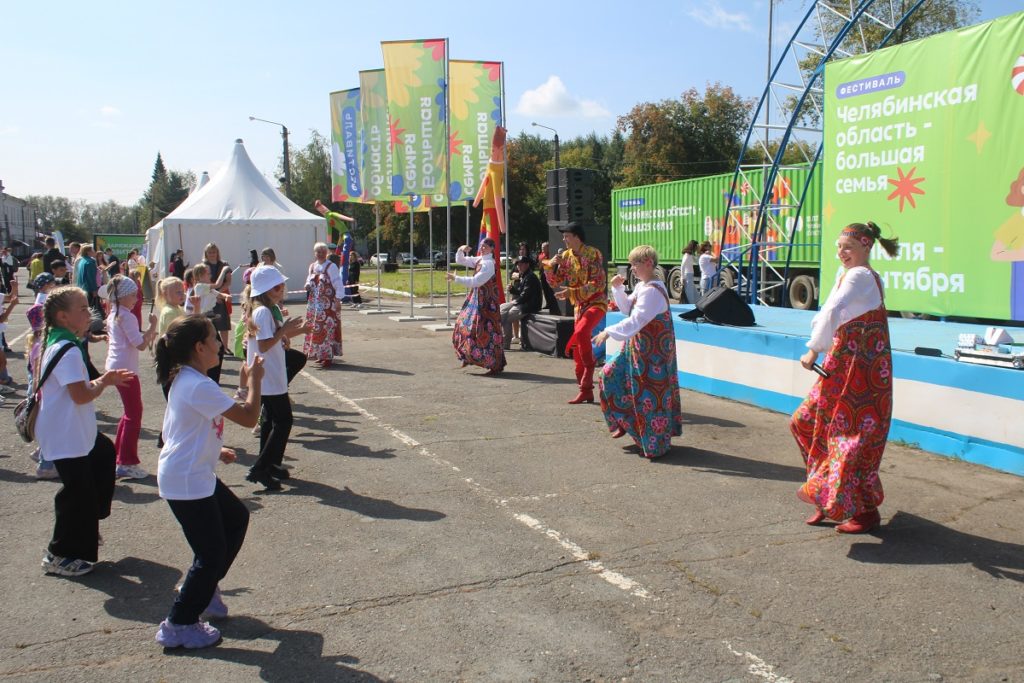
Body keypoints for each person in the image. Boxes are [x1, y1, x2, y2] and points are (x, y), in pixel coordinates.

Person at [153, 316, 263, 649]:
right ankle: (179, 624)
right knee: (210, 552)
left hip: (194, 472)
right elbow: (248, 417)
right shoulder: (196, 384)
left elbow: (179, 430)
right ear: (199, 348)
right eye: (214, 338)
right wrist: (256, 380)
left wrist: (216, 450)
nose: (220, 343)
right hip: (186, 480)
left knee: (236, 519)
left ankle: (206, 589)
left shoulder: (189, 379)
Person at [791, 221, 899, 534]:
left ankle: (864, 513)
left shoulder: (862, 276)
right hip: (843, 363)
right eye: (838, 247)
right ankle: (827, 496)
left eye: (848, 247)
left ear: (866, 247)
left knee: (849, 439)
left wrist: (813, 350)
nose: (841, 253)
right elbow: (829, 311)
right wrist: (820, 345)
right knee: (808, 422)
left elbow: (834, 308)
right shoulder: (848, 274)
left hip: (862, 370)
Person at [36, 286, 133, 577]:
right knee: (77, 494)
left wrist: (104, 379)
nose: (88, 311)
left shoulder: (65, 342)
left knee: (103, 457)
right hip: (65, 435)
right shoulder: (66, 350)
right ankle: (60, 553)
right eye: (81, 308)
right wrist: (106, 380)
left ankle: (87, 527)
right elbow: (81, 395)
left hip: (75, 431)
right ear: (63, 316)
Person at [592, 246, 683, 459]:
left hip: (653, 356)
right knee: (608, 375)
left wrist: (608, 331)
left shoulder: (652, 290)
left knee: (651, 397)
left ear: (649, 263)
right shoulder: (644, 286)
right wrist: (617, 290)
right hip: (639, 349)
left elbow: (637, 320)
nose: (632, 268)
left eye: (636, 264)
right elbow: (627, 309)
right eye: (632, 264)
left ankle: (654, 444)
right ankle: (628, 424)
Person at [245, 266, 307, 489]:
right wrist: (284, 332)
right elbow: (263, 345)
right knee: (284, 421)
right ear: (267, 289)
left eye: (281, 285)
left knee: (271, 421)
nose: (282, 289)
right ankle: (261, 467)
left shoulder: (268, 309)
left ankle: (270, 464)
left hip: (271, 374)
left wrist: (292, 332)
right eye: (277, 286)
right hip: (268, 375)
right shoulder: (262, 311)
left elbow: (271, 338)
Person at [543, 222, 607, 404]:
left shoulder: (593, 254)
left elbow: (599, 284)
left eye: (567, 236)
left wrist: (571, 292)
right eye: (563, 236)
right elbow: (555, 282)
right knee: (578, 350)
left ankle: (589, 370)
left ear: (577, 237)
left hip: (596, 303)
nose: (564, 239)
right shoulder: (565, 256)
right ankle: (585, 389)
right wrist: (549, 266)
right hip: (579, 306)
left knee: (581, 332)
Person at [102, 275, 158, 479]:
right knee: (134, 414)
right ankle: (126, 461)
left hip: (117, 366)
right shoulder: (126, 316)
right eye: (133, 295)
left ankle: (119, 456)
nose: (136, 298)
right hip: (125, 369)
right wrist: (152, 327)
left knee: (129, 414)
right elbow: (140, 344)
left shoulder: (115, 313)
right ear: (123, 296)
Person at [447, 239, 506, 375]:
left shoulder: (489, 264)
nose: (482, 248)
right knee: (463, 325)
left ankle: (494, 365)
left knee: (485, 332)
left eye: (485, 246)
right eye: (481, 246)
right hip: (477, 299)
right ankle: (468, 356)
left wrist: (456, 278)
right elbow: (461, 260)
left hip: (486, 303)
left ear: (492, 248)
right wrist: (461, 249)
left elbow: (476, 281)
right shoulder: (480, 260)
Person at [303, 242, 344, 368]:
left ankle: (327, 356)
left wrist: (338, 299)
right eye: (318, 252)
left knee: (326, 328)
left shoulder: (331, 267)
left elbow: (338, 283)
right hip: (314, 304)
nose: (320, 254)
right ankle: (318, 354)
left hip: (327, 305)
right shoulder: (312, 266)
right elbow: (309, 280)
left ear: (326, 253)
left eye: (322, 252)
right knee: (314, 327)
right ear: (315, 253)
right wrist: (307, 285)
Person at [500, 255, 541, 349]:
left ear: (527, 265)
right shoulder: (525, 275)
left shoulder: (530, 277)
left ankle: (504, 344)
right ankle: (501, 341)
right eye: (517, 264)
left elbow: (525, 296)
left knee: (507, 316)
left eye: (521, 264)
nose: (518, 266)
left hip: (530, 305)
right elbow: (521, 293)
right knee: (501, 308)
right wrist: (512, 290)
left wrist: (513, 302)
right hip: (523, 302)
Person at [200, 243, 232, 352]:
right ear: (206, 253)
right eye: (210, 252)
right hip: (208, 297)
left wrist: (219, 293)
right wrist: (214, 295)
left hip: (220, 295)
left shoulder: (224, 264)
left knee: (224, 323)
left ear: (217, 252)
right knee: (209, 325)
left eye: (214, 252)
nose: (212, 254)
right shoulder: (203, 265)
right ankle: (211, 346)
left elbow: (228, 281)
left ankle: (225, 347)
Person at [536, 241, 560, 315]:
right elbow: (539, 265)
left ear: (548, 248)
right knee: (545, 290)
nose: (542, 249)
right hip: (542, 274)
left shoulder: (551, 254)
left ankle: (551, 303)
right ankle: (547, 303)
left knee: (550, 290)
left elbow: (552, 264)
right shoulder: (540, 255)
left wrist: (546, 262)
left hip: (550, 274)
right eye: (542, 248)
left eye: (544, 247)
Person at [679, 240, 699, 304]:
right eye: (696, 246)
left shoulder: (690, 255)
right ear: (693, 246)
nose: (697, 248)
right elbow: (682, 266)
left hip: (690, 277)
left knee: (696, 295)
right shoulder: (687, 255)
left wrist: (698, 253)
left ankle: (695, 306)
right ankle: (691, 308)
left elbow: (697, 262)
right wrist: (682, 277)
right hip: (687, 277)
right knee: (690, 296)